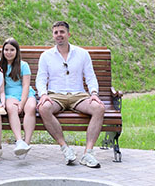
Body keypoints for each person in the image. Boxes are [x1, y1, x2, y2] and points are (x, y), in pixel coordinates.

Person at [35, 20, 105, 168]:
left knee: (99, 108)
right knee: (43, 108)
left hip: (78, 95)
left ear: (68, 34)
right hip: (56, 95)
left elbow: (90, 76)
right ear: (53, 35)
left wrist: (93, 93)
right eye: (56, 32)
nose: (59, 35)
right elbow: (41, 78)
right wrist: (43, 94)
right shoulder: (46, 56)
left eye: (62, 32)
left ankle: (88, 153)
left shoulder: (82, 54)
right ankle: (65, 148)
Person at [0, 37, 36, 157]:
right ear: (3, 51)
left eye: (12, 50)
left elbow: (26, 85)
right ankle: (19, 141)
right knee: (12, 108)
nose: (9, 52)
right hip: (9, 94)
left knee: (31, 107)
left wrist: (22, 103)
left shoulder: (23, 65)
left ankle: (26, 144)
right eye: (6, 50)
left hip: (25, 93)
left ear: (17, 51)